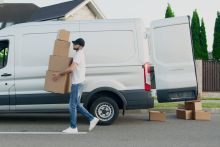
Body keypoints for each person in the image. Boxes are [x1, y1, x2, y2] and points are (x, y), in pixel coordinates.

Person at [52, 38, 99, 134]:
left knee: (72, 106)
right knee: (76, 105)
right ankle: (92, 119)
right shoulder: (79, 54)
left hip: (77, 83)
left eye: (75, 44)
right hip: (79, 82)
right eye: (74, 43)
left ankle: (73, 127)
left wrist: (59, 74)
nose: (73, 45)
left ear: (80, 45)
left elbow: (71, 69)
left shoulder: (79, 54)